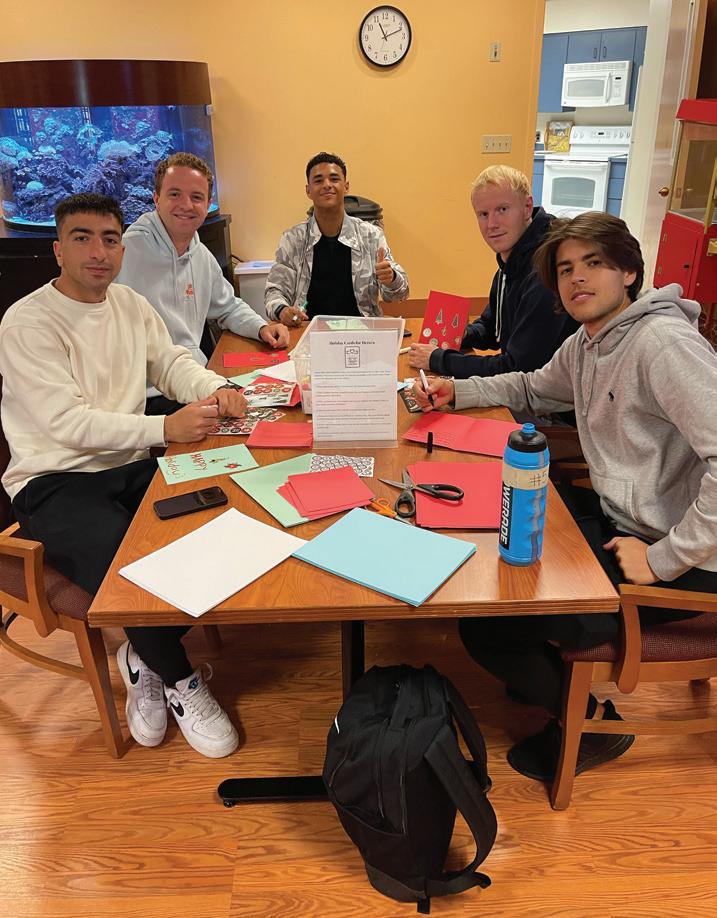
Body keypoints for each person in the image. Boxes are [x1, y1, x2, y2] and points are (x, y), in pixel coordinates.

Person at [413, 211, 717, 781]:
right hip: (627, 522)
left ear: (629, 272)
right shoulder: (590, 341)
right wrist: (458, 390)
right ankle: (544, 661)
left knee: (486, 621)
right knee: (503, 537)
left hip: (685, 555)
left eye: (594, 263)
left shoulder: (662, 344)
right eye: (566, 268)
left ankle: (592, 722)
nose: (577, 277)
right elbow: (531, 387)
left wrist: (662, 560)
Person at [0, 192, 247, 759]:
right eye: (82, 238)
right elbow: (66, 425)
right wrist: (165, 427)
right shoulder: (27, 321)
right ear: (58, 250)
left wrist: (218, 388)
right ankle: (181, 679)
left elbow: (173, 364)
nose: (98, 252)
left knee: (226, 514)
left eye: (110, 239)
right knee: (133, 565)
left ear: (122, 248)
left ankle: (141, 656)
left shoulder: (130, 304)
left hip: (129, 465)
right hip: (53, 481)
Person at [117, 151, 290, 415]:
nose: (186, 205)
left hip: (194, 383)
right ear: (156, 199)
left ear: (208, 204)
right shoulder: (125, 252)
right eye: (175, 194)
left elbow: (228, 306)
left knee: (275, 408)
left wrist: (262, 327)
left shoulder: (200, 254)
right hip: (145, 397)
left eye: (196, 197)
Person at [408, 165, 578, 378]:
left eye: (502, 209)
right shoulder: (511, 263)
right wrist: (459, 335)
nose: (492, 224)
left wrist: (440, 359)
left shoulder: (545, 270)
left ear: (527, 207)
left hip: (548, 394)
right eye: (483, 214)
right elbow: (491, 327)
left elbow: (517, 369)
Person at [264, 152, 409, 325]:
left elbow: (399, 295)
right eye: (318, 180)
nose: (327, 185)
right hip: (308, 329)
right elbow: (274, 292)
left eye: (334, 179)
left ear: (346, 187)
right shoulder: (293, 239)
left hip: (363, 330)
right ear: (308, 190)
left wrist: (391, 278)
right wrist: (282, 310)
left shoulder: (371, 236)